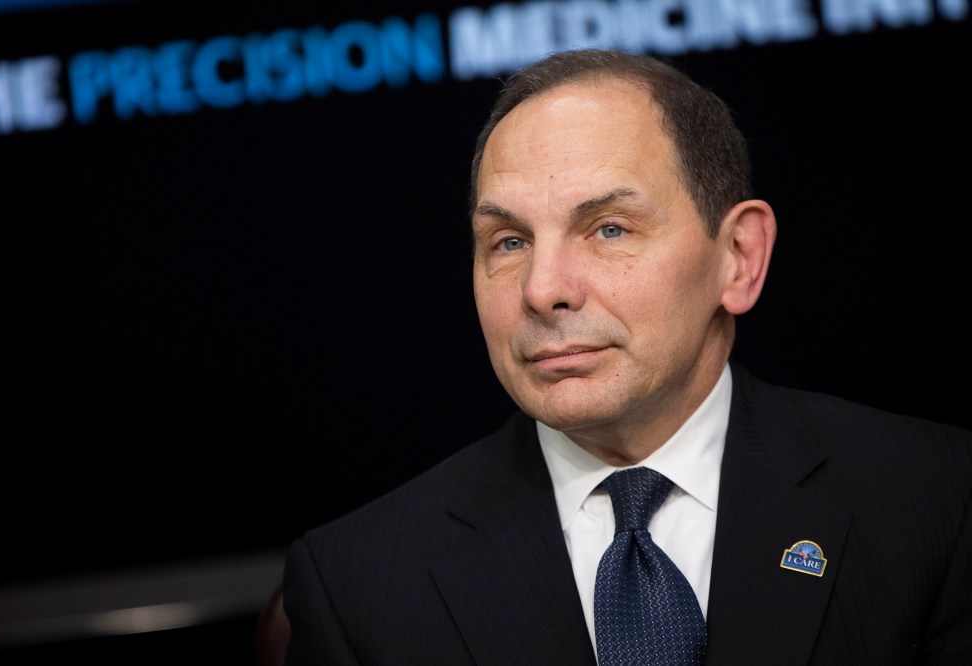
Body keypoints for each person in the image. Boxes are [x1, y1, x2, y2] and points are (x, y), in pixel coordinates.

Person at [279, 49, 972, 664]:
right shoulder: (356, 585)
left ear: (738, 258)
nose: (543, 289)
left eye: (608, 228)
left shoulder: (938, 500)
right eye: (509, 242)